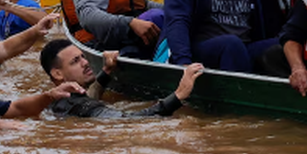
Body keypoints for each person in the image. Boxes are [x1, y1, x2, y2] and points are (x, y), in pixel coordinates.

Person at [41, 40, 202, 118]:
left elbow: (88, 99)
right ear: (57, 74)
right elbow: (130, 120)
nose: (85, 63)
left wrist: (106, 72)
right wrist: (178, 95)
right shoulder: (80, 105)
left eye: (83, 57)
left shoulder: (61, 100)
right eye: (75, 61)